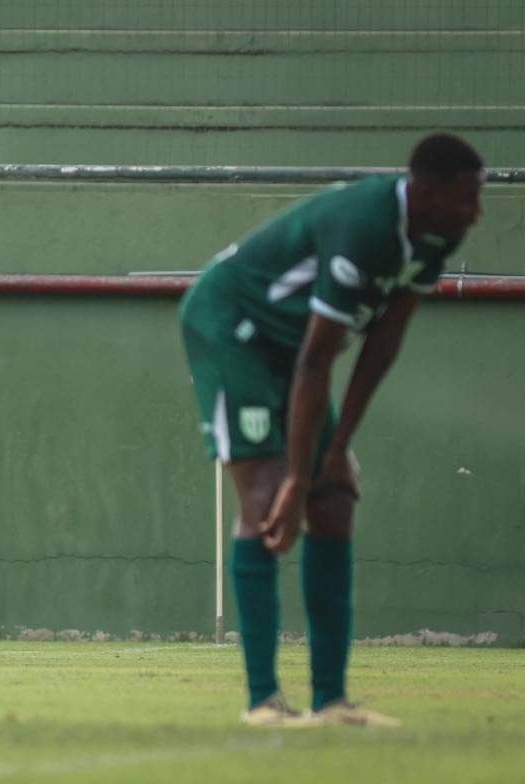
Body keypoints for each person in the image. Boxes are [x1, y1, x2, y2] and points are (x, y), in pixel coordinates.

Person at [179, 133, 483, 726]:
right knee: (267, 499)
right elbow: (318, 359)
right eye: (467, 196)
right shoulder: (364, 225)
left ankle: (330, 701)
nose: (477, 210)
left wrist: (335, 453)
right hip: (232, 329)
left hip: (296, 351)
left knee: (335, 501)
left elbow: (383, 339)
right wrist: (298, 474)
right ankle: (264, 701)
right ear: (424, 190)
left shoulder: (440, 235)